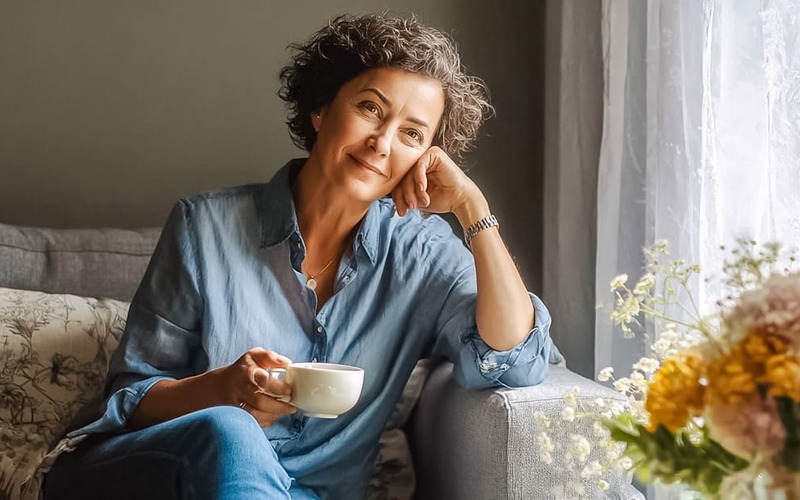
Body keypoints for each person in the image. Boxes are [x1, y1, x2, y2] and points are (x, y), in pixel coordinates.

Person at [42, 12, 555, 500]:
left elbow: (514, 360)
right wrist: (221, 390)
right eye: (370, 108)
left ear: (425, 159)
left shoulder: (422, 256)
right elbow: (128, 404)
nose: (381, 142)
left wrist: (472, 207)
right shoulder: (205, 226)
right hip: (155, 474)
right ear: (321, 107)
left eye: (412, 134)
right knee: (230, 430)